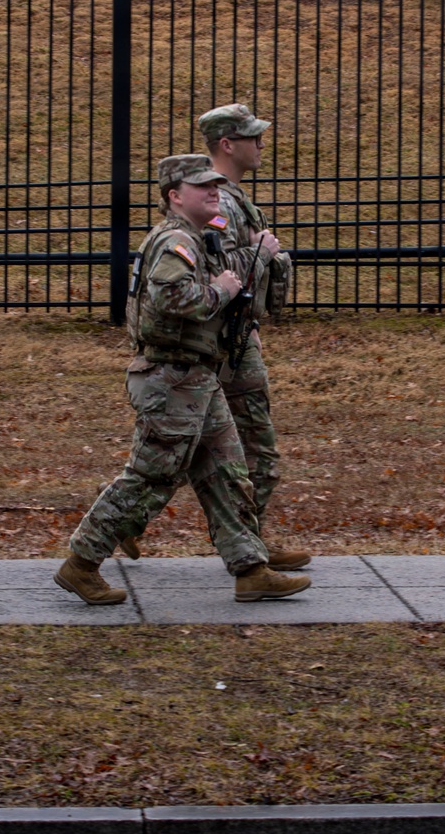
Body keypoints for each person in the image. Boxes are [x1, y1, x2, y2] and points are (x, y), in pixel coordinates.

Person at [55, 156, 311, 607]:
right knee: (149, 478)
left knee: (227, 473)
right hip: (171, 379)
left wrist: (246, 263)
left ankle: (251, 569)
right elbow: (172, 299)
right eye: (202, 187)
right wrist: (224, 291)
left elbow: (226, 264)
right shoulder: (176, 240)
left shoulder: (197, 237)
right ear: (175, 196)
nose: (214, 192)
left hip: (197, 376)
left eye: (215, 184)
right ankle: (81, 562)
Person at [198, 102, 310, 572]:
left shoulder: (231, 196)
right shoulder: (219, 202)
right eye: (253, 137)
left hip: (238, 337)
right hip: (226, 346)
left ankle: (250, 542)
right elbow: (215, 272)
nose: (262, 143)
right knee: (253, 451)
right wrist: (261, 252)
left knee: (200, 451)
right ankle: (248, 547)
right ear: (228, 144)